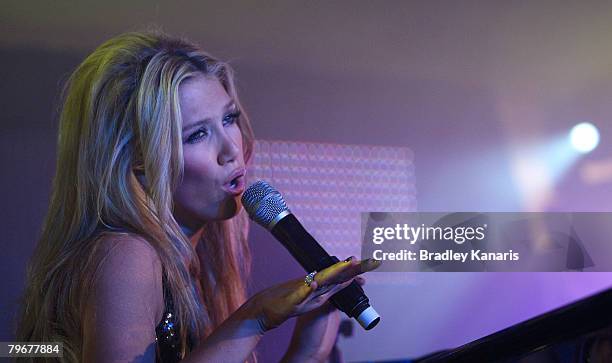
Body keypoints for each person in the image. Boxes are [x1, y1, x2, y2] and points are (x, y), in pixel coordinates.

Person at [17, 31, 380, 362]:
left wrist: (309, 349)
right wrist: (255, 317)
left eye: (229, 118)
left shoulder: (196, 263)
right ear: (140, 160)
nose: (230, 150)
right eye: (196, 135)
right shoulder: (125, 255)